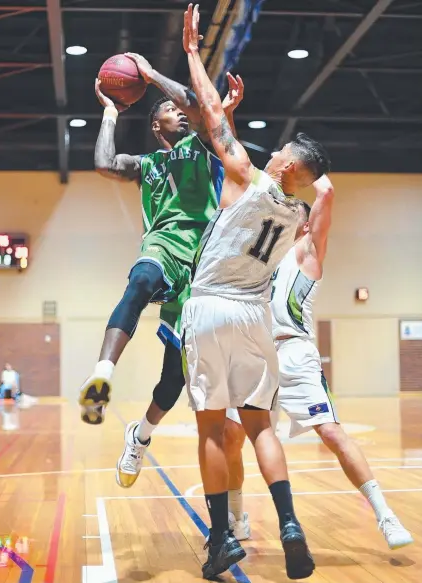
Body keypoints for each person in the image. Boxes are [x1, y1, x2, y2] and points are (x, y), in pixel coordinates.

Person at [180, 4, 331, 579]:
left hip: (211, 307)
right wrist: (233, 126)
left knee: (213, 428)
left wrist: (195, 54)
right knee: (261, 423)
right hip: (254, 317)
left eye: (282, 152)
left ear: (287, 161)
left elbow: (212, 119)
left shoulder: (251, 177)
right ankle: (290, 523)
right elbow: (238, 173)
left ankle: (220, 539)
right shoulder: (294, 212)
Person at [78, 51, 243, 484]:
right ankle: (101, 376)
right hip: (162, 246)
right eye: (169, 112)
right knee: (140, 281)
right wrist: (110, 114)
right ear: (155, 125)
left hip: (202, 267)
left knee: (174, 380)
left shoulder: (201, 145)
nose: (179, 115)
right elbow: (103, 164)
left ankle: (140, 437)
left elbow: (196, 103)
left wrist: (150, 76)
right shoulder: (146, 165)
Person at [223, 179, 414, 550]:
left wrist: (310, 173)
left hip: (295, 355)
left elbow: (325, 196)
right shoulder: (264, 257)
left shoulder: (306, 250)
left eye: (294, 209)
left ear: (306, 223)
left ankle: (385, 515)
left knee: (331, 433)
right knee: (231, 437)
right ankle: (236, 517)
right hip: (255, 355)